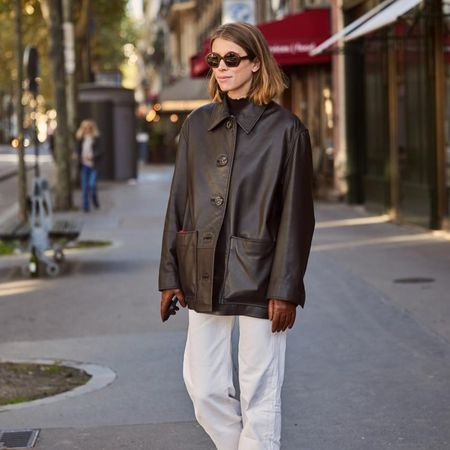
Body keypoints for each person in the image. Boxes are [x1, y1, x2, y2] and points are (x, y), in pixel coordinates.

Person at [158, 22, 315, 450]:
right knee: (203, 387)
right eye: (215, 59)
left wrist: (286, 288)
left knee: (260, 391)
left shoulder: (287, 131)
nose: (222, 67)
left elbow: (297, 219)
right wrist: (170, 275)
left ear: (256, 62)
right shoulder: (196, 126)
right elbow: (179, 203)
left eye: (232, 59)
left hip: (262, 277)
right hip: (202, 270)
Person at [75, 119, 102, 212]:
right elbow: (77, 151)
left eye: (89, 128)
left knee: (92, 185)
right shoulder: (80, 139)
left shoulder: (96, 138)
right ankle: (86, 206)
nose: (87, 129)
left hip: (93, 165)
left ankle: (94, 198)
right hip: (84, 165)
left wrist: (92, 156)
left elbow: (100, 151)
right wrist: (77, 155)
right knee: (85, 186)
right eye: (85, 128)